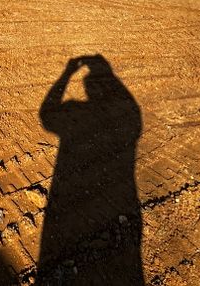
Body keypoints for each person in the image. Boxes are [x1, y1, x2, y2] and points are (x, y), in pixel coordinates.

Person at [38, 55, 143, 284]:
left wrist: (67, 74)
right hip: (120, 198)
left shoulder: (79, 111)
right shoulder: (129, 114)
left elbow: (47, 116)